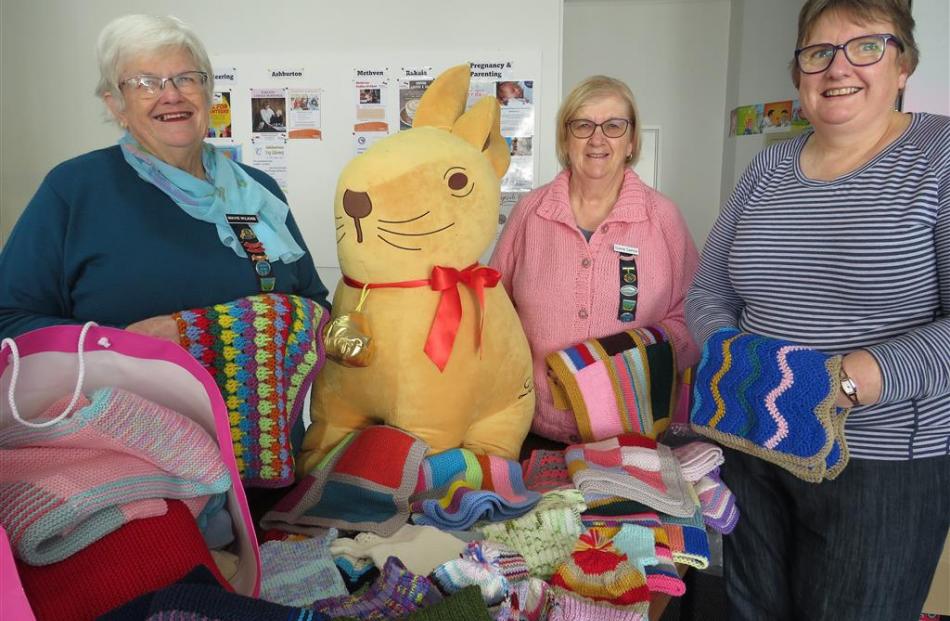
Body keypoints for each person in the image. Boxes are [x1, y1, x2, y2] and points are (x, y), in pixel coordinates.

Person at [685, 1, 949, 619]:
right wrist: (744, 364)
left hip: (879, 466)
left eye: (865, 46)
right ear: (799, 72)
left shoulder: (939, 158)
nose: (838, 67)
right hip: (753, 436)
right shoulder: (769, 165)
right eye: (818, 52)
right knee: (752, 608)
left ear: (903, 64)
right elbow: (706, 293)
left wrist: (848, 381)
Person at [0, 13, 329, 341]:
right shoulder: (74, 189)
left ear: (208, 92)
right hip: (123, 391)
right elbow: (8, 319)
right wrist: (126, 341)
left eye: (186, 78)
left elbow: (313, 305)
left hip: (260, 392)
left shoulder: (259, 190)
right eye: (145, 83)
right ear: (116, 106)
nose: (171, 95)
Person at [491, 75, 700, 445]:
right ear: (565, 138)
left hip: (633, 431)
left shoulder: (663, 217)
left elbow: (693, 315)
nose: (598, 139)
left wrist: (618, 363)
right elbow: (491, 307)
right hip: (533, 426)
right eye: (583, 125)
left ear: (632, 140)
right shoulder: (530, 213)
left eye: (614, 126)